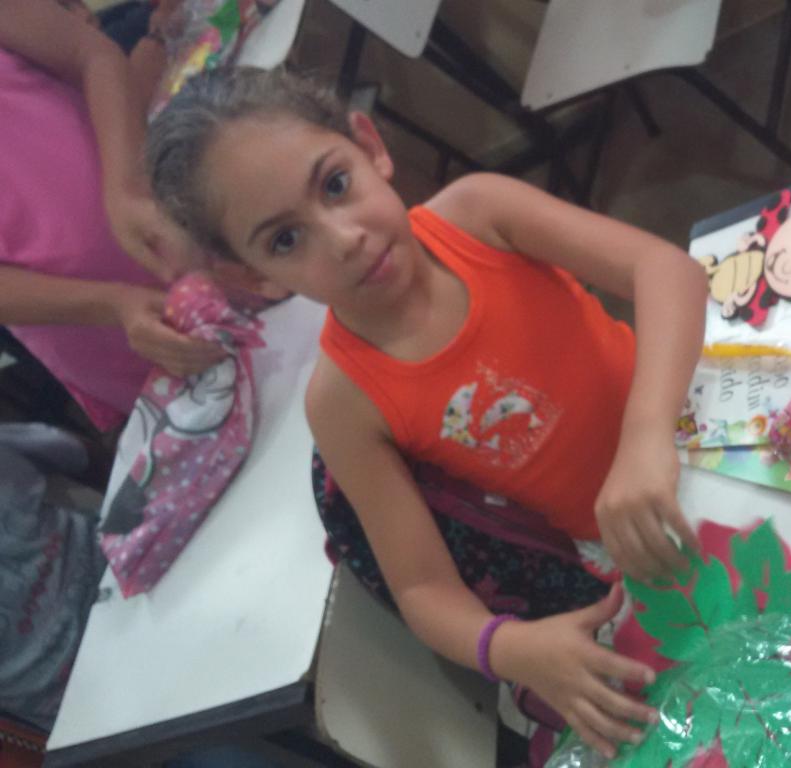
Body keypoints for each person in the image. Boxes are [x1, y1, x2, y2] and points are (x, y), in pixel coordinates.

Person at [145, 67, 709, 759]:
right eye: (286, 240)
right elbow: (422, 588)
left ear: (369, 146)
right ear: (256, 278)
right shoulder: (344, 403)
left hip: (689, 417)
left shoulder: (479, 212)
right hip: (637, 539)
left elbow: (667, 272)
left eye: (335, 185)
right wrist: (511, 648)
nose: (343, 238)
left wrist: (645, 435)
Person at [0, 0, 223, 434]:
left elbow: (91, 53)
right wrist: (114, 304)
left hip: (170, 217)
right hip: (94, 326)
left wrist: (127, 188)